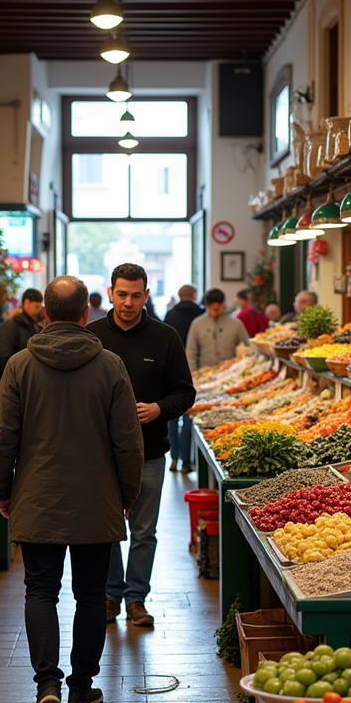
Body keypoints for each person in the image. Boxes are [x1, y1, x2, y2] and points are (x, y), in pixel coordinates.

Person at [0, 276, 143, 703]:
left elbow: (2, 439)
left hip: (37, 496)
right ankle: (80, 688)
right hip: (97, 500)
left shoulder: (19, 365)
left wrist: (2, 489)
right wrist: (127, 494)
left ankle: (46, 685)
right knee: (91, 595)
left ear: (44, 314)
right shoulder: (111, 364)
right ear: (86, 314)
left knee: (40, 590)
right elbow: (128, 443)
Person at [89, 263, 196, 629]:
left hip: (150, 451)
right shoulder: (92, 336)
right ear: (110, 293)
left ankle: (136, 599)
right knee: (106, 530)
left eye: (136, 295)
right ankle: (110, 594)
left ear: (147, 295)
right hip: (100, 456)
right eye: (122, 294)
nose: (128, 302)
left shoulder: (165, 337)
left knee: (144, 531)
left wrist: (159, 408)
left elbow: (186, 392)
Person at [163, 285, 205, 473]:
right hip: (197, 369)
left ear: (180, 296)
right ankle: (187, 461)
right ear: (194, 296)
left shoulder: (171, 315)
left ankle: (173, 457)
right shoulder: (201, 315)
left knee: (171, 416)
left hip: (171, 369)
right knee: (189, 415)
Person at [186, 288, 250, 370]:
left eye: (217, 309)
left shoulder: (236, 324)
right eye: (212, 308)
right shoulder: (197, 324)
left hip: (229, 372)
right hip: (204, 373)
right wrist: (192, 373)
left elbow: (247, 348)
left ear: (223, 304)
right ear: (206, 305)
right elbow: (191, 352)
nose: (215, 311)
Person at [0, 288, 44, 380]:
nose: (39, 310)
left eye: (40, 307)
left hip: (29, 374)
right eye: (36, 307)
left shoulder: (35, 324)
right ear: (26, 303)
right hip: (16, 376)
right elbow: (4, 355)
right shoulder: (12, 324)